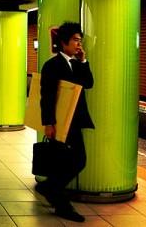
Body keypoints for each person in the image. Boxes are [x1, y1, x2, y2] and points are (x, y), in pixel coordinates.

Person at [36, 22, 94, 223]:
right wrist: (49, 123)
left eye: (80, 40)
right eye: (76, 40)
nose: (79, 44)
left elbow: (88, 83)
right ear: (64, 42)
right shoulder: (52, 65)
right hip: (61, 123)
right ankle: (60, 202)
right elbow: (47, 96)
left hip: (75, 121)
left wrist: (84, 61)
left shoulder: (77, 64)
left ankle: (50, 187)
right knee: (78, 160)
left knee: (73, 161)